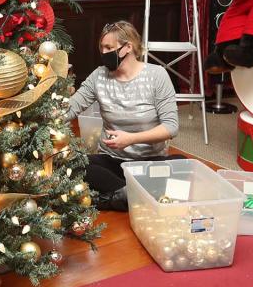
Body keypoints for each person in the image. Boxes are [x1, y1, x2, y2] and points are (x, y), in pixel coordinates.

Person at [66, 21, 179, 211]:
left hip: (148, 163)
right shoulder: (99, 76)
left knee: (182, 166)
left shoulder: (157, 75)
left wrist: (131, 139)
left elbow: (171, 127)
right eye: (101, 48)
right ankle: (134, 196)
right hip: (112, 161)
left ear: (128, 47)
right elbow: (72, 107)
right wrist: (46, 114)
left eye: (109, 47)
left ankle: (112, 198)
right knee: (72, 164)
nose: (103, 52)